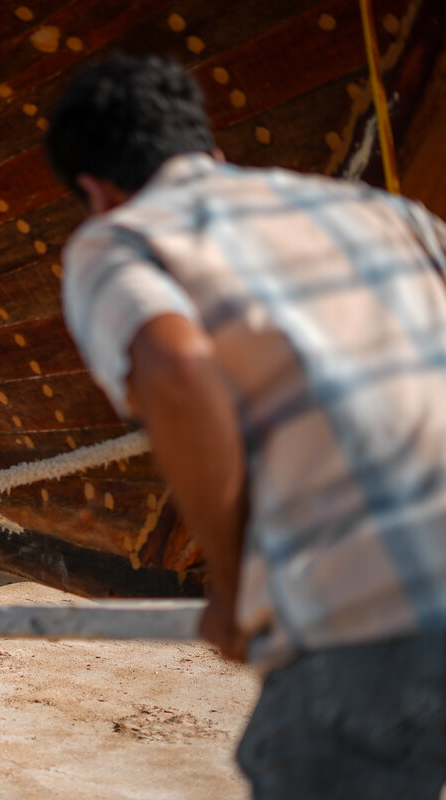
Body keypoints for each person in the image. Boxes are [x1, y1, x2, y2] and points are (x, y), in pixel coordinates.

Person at [45, 53, 446, 797]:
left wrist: (230, 583)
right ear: (210, 148)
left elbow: (177, 371)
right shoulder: (391, 214)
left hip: (368, 623)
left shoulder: (122, 240)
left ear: (96, 191)